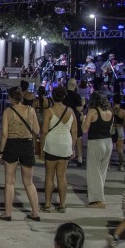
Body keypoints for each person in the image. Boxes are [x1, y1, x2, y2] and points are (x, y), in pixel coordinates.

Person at [0, 86, 41, 222]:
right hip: (27, 145)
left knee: (9, 182)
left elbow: (4, 133)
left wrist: (1, 151)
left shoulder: (8, 112)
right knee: (29, 182)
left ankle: (8, 213)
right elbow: (37, 130)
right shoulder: (30, 110)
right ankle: (35, 212)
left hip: (12, 144)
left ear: (11, 98)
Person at [41, 85, 76, 213]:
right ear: (64, 96)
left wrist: (41, 149)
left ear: (52, 96)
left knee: (49, 176)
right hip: (66, 144)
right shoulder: (70, 111)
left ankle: (48, 204)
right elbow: (75, 130)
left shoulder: (49, 111)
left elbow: (44, 131)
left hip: (51, 144)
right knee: (62, 176)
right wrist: (73, 148)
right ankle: (62, 205)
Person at [82, 92, 114, 208]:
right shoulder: (110, 112)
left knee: (93, 171)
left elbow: (85, 130)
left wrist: (83, 120)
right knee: (102, 171)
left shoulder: (92, 111)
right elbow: (110, 129)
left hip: (96, 142)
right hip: (108, 142)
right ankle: (99, 195)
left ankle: (97, 200)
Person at [63, 79, 85, 166]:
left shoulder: (64, 95)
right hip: (75, 118)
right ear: (75, 86)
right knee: (78, 137)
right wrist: (83, 104)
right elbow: (79, 109)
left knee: (66, 137)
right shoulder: (77, 95)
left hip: (65, 118)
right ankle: (79, 159)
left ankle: (66, 156)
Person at [111, 93, 125, 171]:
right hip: (120, 129)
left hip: (111, 129)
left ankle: (108, 166)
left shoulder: (110, 110)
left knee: (109, 149)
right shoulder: (123, 112)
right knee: (120, 150)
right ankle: (121, 166)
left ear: (113, 101)